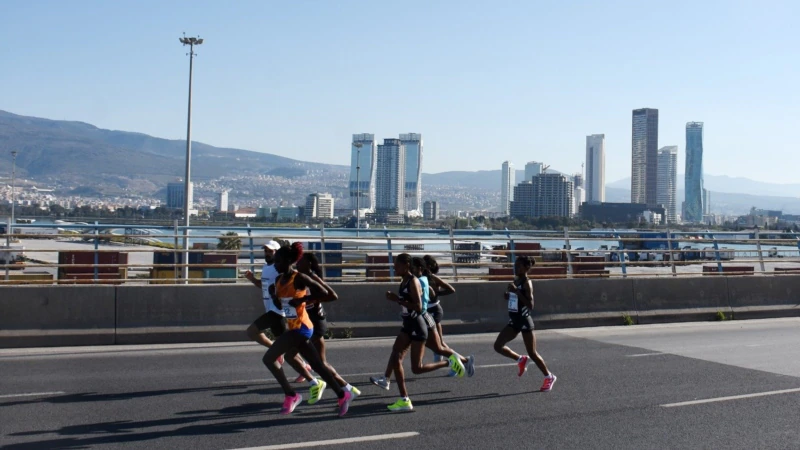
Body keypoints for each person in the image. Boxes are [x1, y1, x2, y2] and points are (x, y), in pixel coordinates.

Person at [262, 242, 354, 416]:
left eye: (279, 261)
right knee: (318, 366)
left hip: (302, 327)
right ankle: (343, 394)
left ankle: (292, 395)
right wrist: (275, 296)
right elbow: (280, 305)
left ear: (289, 261)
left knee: (269, 358)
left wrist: (303, 300)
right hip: (293, 327)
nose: (275, 264)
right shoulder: (278, 280)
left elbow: (326, 294)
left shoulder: (299, 278)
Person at [371, 253, 464, 412]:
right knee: (395, 357)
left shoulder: (413, 282)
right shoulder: (404, 280)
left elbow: (420, 307)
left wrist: (397, 300)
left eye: (397, 265)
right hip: (408, 324)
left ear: (406, 265)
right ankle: (403, 398)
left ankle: (449, 362)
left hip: (417, 325)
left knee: (417, 368)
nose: (394, 268)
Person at [245, 240, 314, 384]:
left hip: (278, 311)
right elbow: (263, 286)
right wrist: (252, 279)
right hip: (271, 308)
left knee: (252, 331)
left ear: (278, 254)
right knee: (287, 346)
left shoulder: (278, 268)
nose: (267, 254)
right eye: (266, 251)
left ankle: (278, 353)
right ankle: (305, 367)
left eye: (271, 251)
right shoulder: (265, 267)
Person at [296, 252, 361, 400]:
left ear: (309, 265)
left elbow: (333, 295)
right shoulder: (302, 278)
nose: (297, 263)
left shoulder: (314, 278)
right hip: (310, 323)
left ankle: (324, 384)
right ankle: (348, 388)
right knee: (320, 363)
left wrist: (309, 299)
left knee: (317, 362)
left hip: (316, 323)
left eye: (301, 261)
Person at [493, 255, 556, 392]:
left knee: (532, 353)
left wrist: (516, 291)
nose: (515, 267)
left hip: (524, 321)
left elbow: (530, 304)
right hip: (514, 320)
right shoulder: (517, 280)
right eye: (515, 265)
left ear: (526, 268)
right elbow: (517, 299)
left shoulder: (527, 282)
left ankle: (549, 376)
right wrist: (508, 295)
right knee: (498, 346)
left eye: (519, 266)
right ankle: (520, 359)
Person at [423, 255, 456, 363]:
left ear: (427, 266)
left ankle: (457, 361)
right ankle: (439, 353)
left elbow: (451, 289)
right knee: (431, 341)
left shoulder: (433, 278)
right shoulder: (419, 279)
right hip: (426, 312)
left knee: (439, 343)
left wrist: (437, 293)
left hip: (434, 311)